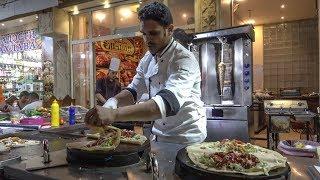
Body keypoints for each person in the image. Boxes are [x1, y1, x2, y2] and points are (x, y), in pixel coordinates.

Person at [85, 2, 206, 177]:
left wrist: (114, 114)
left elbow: (165, 104)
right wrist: (113, 102)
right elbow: (134, 90)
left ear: (169, 29)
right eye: (144, 34)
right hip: (158, 137)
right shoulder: (148, 58)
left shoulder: (183, 60)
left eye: (154, 33)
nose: (148, 39)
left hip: (185, 140)